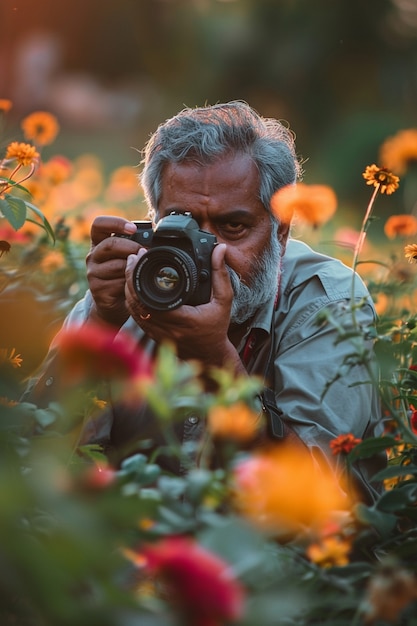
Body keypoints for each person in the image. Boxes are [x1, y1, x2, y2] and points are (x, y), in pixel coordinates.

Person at [25, 101, 384, 503]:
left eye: (233, 227)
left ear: (280, 232)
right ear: (153, 220)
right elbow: (33, 452)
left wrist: (214, 360)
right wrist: (99, 326)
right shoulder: (130, 288)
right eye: (184, 224)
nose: (207, 251)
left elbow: (311, 495)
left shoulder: (327, 302)